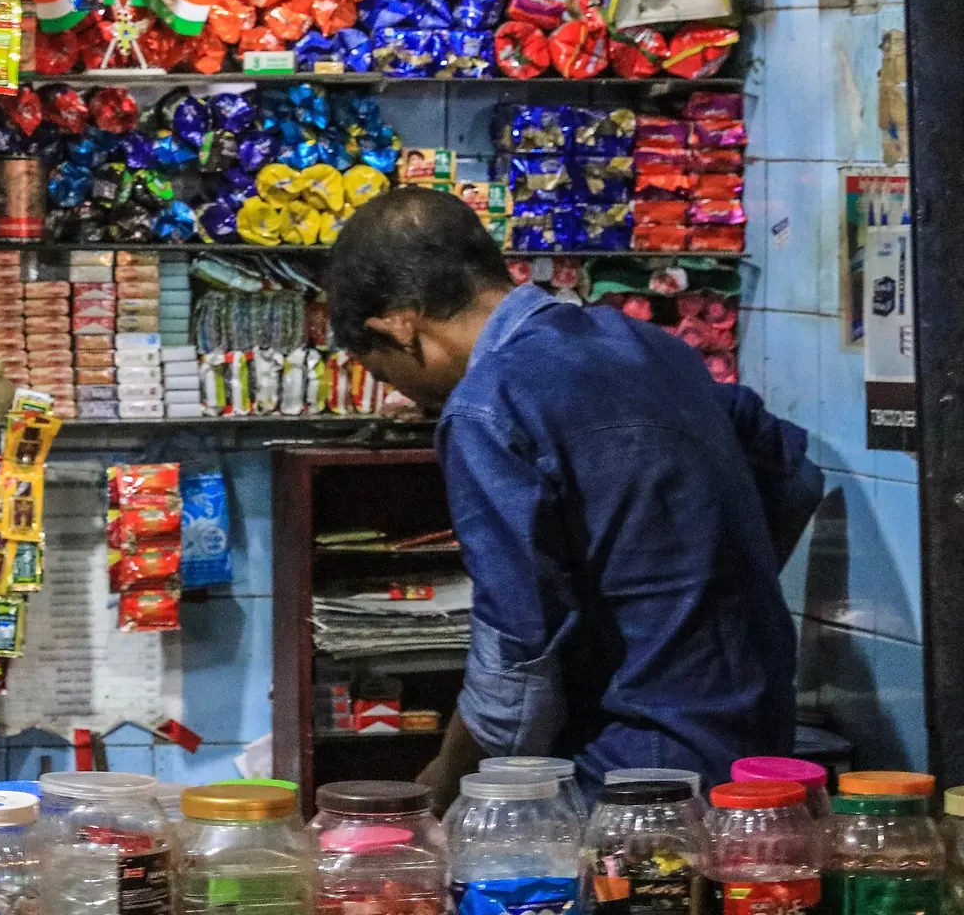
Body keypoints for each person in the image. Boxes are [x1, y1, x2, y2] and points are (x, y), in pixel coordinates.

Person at [327, 188, 823, 806]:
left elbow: (517, 655)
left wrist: (449, 785)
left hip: (627, 766)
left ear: (399, 326)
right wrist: (699, 595)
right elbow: (796, 476)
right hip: (758, 742)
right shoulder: (651, 346)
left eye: (382, 372)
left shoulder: (488, 405)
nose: (403, 395)